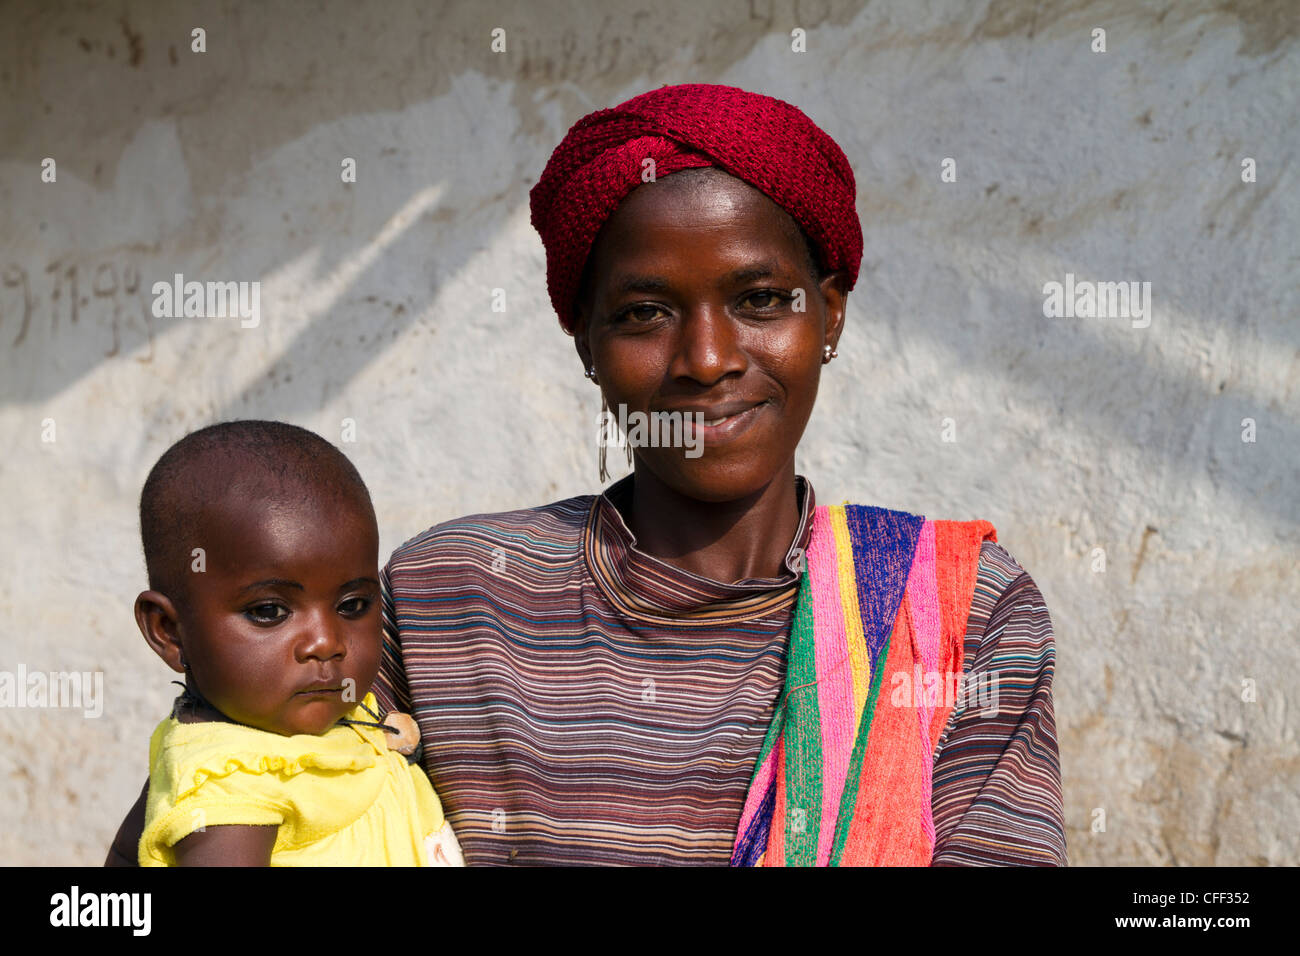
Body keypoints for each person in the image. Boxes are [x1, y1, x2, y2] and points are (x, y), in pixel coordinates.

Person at [110, 83, 1064, 867]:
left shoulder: (951, 616)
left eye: (761, 300)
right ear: (586, 346)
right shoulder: (447, 599)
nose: (706, 358)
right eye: (645, 313)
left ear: (831, 315)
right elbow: (213, 792)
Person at [130, 420, 462, 866]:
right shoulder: (232, 791)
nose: (326, 643)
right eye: (269, 611)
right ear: (169, 631)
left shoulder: (330, 720)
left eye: (352, 605)